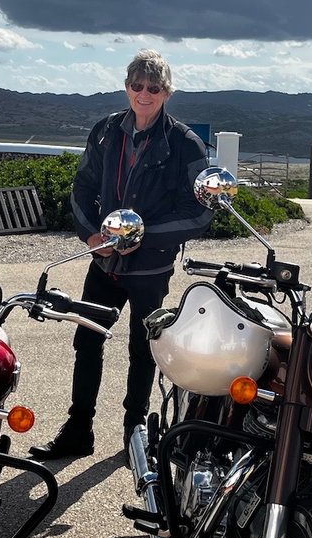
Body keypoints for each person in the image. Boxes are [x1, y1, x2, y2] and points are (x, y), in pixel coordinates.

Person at [29, 50, 214, 462]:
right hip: (104, 261)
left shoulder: (185, 143)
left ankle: (135, 435)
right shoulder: (106, 131)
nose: (144, 94)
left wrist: (142, 237)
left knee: (141, 349)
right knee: (87, 340)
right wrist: (91, 235)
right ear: (126, 86)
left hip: (150, 267)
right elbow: (82, 187)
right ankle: (79, 430)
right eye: (136, 85)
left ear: (167, 92)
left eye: (153, 87)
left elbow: (199, 212)